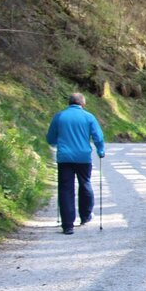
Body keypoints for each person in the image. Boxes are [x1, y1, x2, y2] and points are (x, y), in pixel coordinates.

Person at [46, 92, 105, 235]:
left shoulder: (60, 116)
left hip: (64, 158)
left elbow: (51, 138)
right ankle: (85, 216)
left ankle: (67, 225)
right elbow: (98, 136)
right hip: (83, 157)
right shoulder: (88, 117)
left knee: (66, 189)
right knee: (85, 183)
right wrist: (100, 150)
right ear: (83, 104)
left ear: (69, 103)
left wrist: (56, 143)